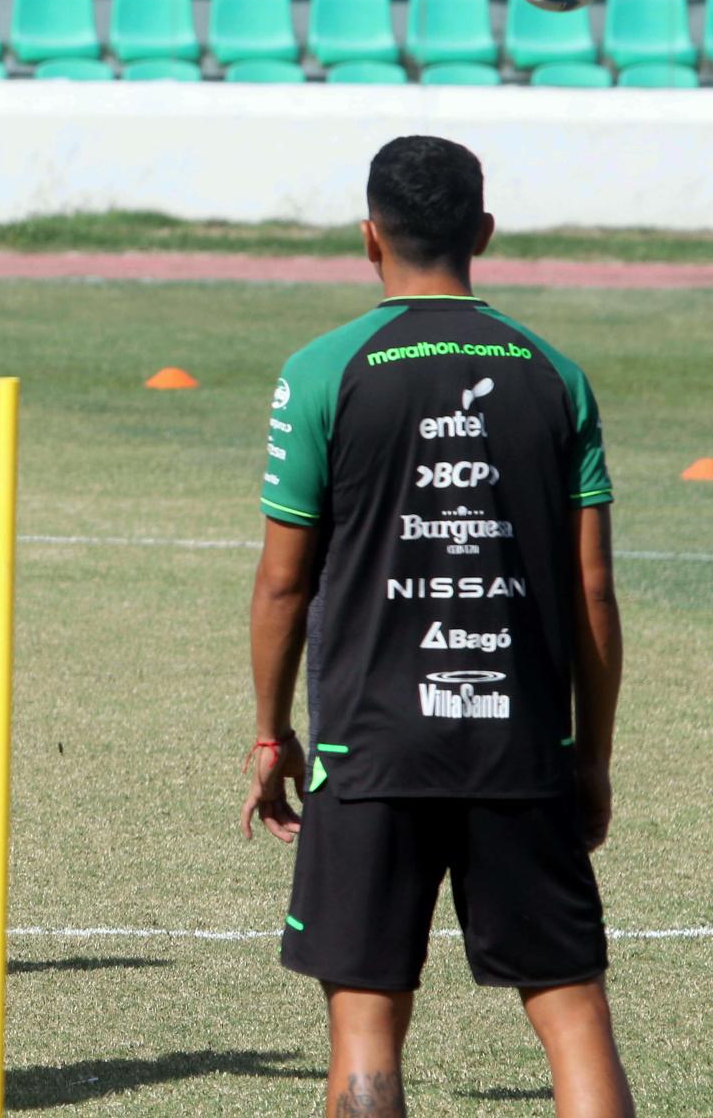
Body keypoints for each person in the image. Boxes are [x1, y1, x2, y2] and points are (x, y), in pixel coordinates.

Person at [242, 135, 633, 1118]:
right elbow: (594, 591)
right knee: (573, 1012)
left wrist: (269, 731)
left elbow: (284, 588)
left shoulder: (324, 370)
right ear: (485, 234)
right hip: (519, 741)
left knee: (366, 1029)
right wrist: (589, 754)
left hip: (368, 745)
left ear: (367, 238)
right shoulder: (553, 374)